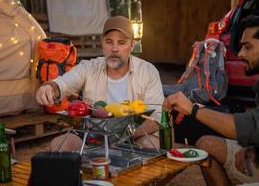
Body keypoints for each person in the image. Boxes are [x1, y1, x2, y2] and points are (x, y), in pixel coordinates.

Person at [163, 16, 259, 186]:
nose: (240, 54)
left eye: (247, 47)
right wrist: (257, 147)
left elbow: (253, 126)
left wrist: (193, 109)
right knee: (206, 144)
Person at [36, 15, 164, 151]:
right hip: (92, 136)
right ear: (102, 42)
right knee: (59, 145)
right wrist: (49, 87)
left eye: (121, 42)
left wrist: (118, 137)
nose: (114, 49)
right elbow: (63, 84)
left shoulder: (148, 71)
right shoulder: (89, 67)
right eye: (109, 41)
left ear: (132, 45)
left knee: (151, 145)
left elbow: (155, 120)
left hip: (134, 136)